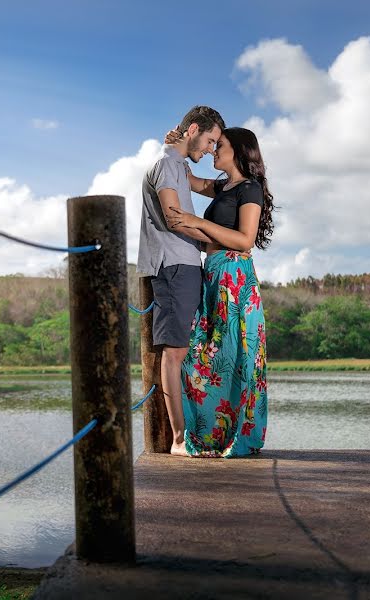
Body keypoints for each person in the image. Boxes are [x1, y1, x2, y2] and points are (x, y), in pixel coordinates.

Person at [164, 126, 275, 457]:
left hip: (234, 278)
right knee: (204, 352)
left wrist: (197, 222)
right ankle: (201, 434)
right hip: (213, 276)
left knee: (232, 355)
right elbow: (189, 178)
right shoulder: (223, 187)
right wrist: (172, 144)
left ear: (239, 152)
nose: (213, 151)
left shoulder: (249, 188)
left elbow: (244, 240)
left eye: (220, 146)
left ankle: (232, 436)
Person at [137, 105, 225, 456]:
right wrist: (218, 241)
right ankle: (177, 440)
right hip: (173, 265)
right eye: (209, 140)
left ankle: (187, 434)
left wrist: (245, 183)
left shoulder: (178, 166)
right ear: (193, 129)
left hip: (186, 264)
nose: (210, 149)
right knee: (174, 353)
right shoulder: (165, 165)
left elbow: (207, 187)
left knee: (184, 350)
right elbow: (174, 219)